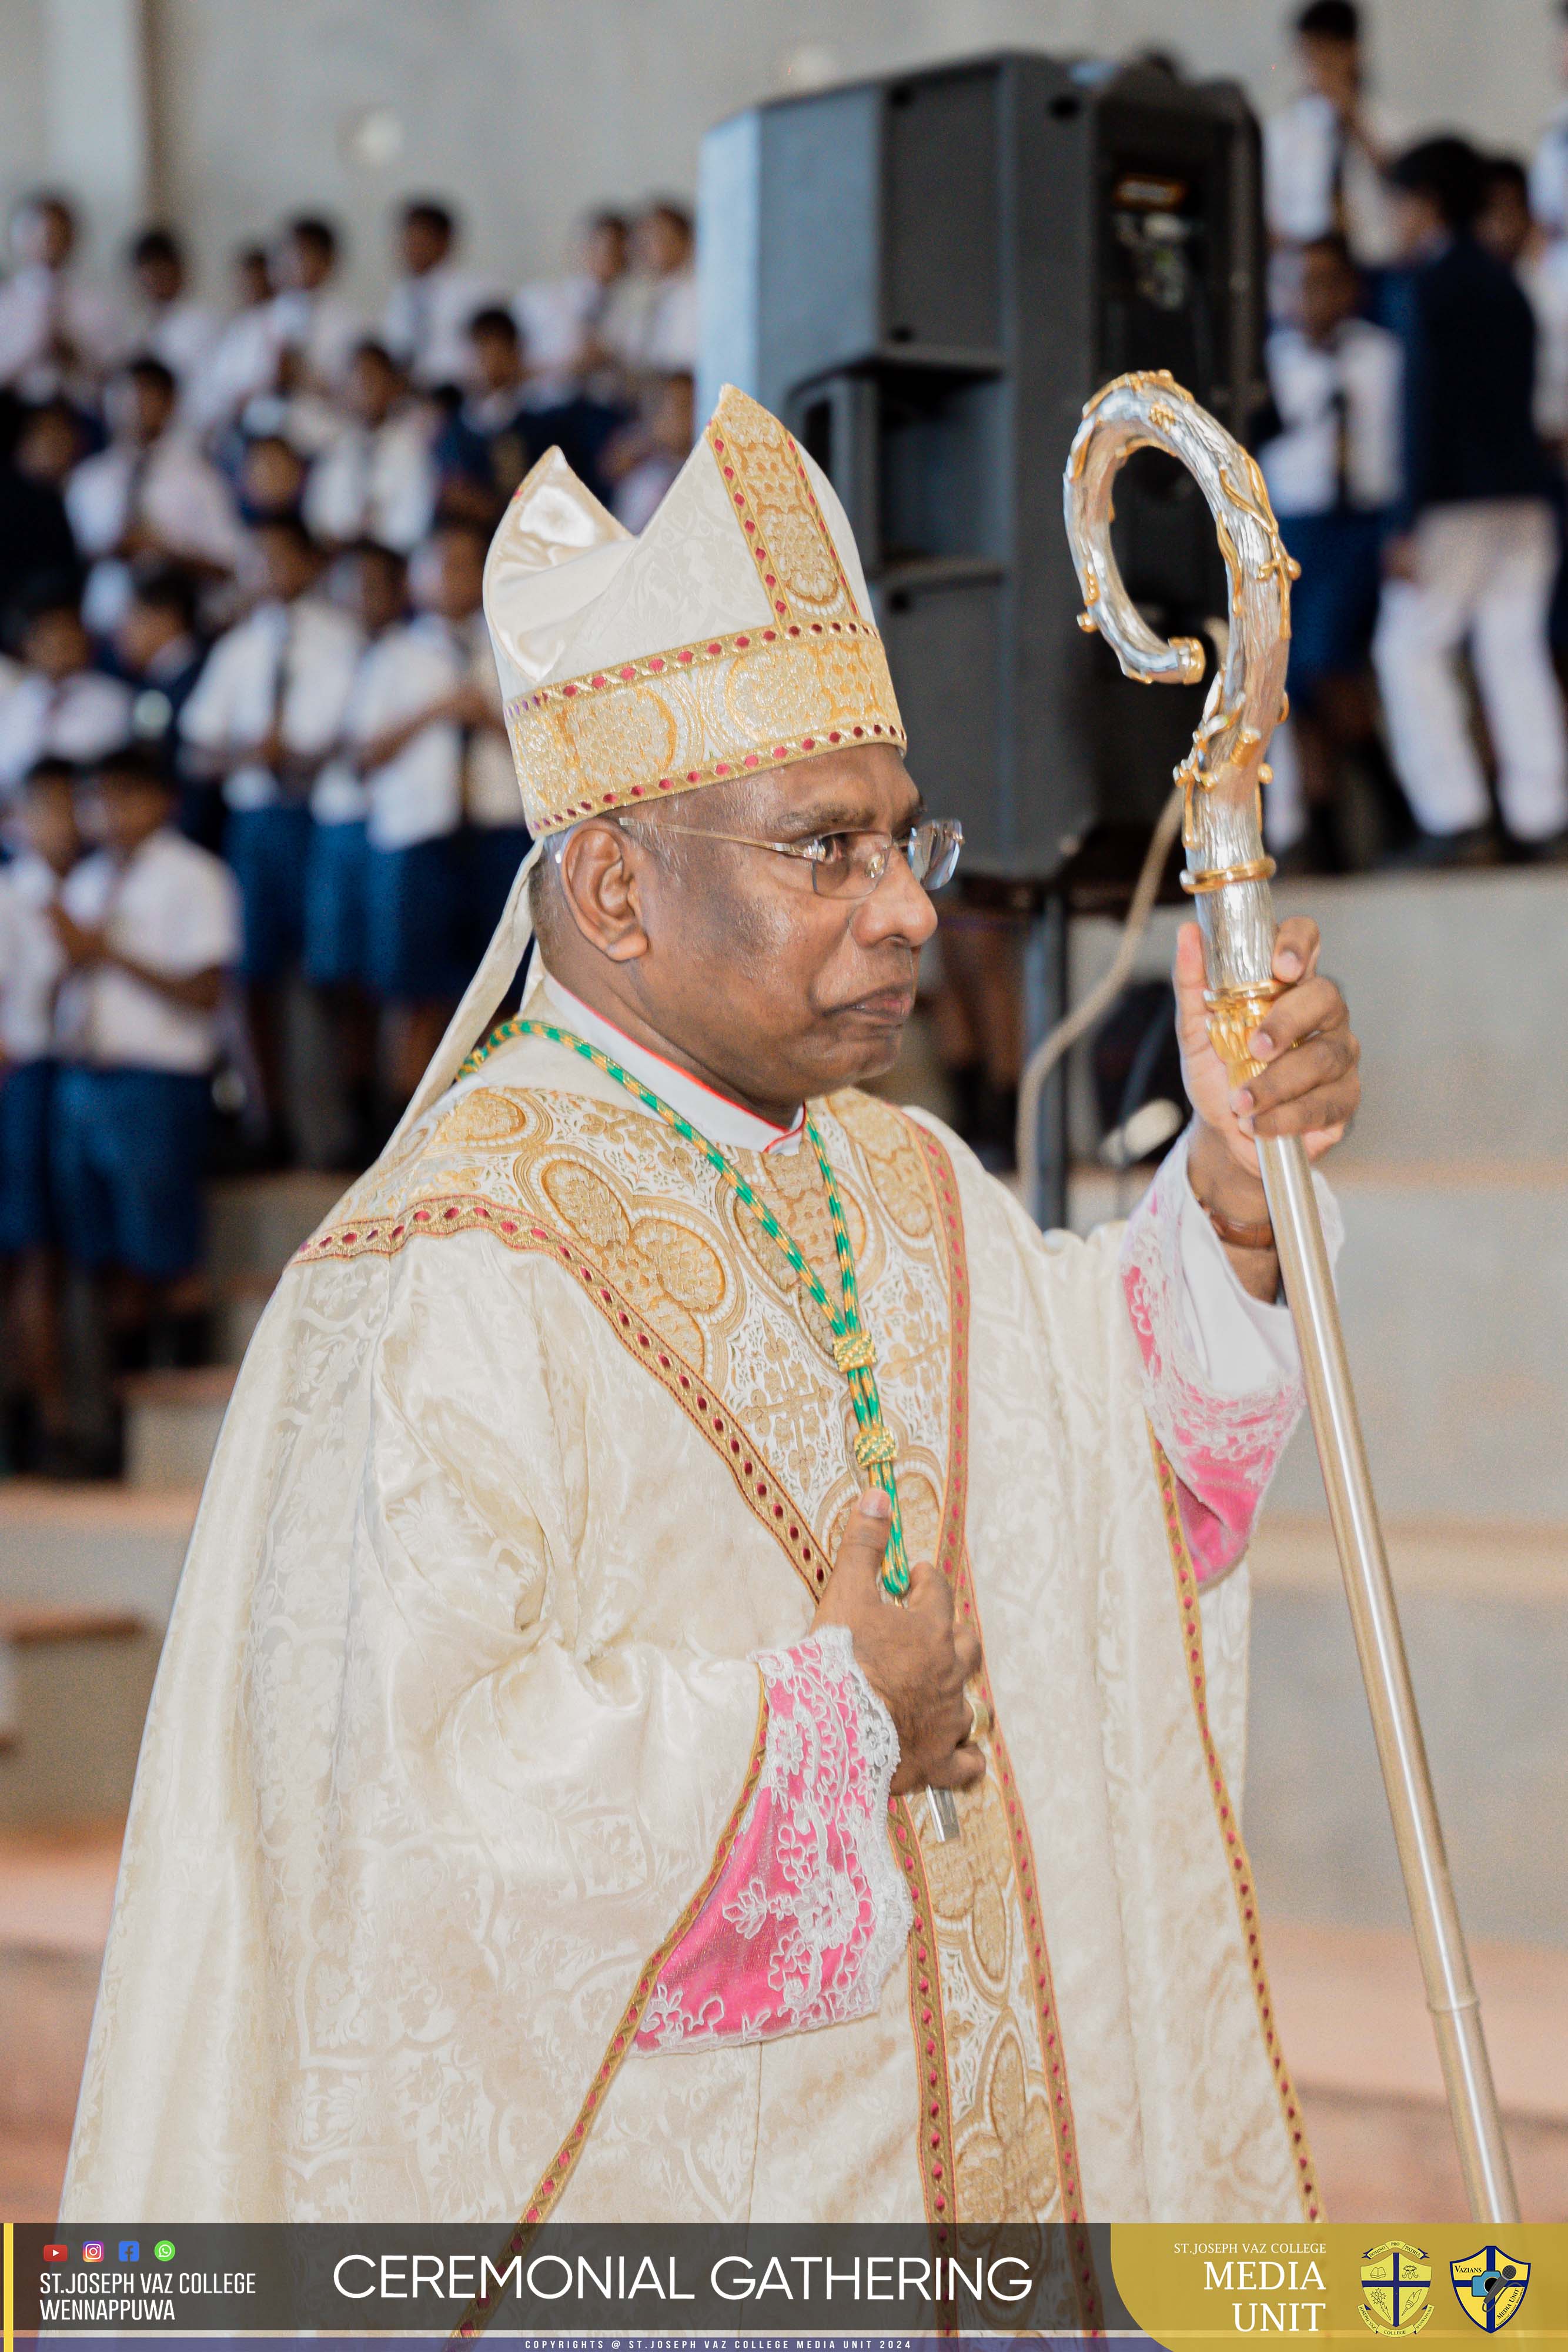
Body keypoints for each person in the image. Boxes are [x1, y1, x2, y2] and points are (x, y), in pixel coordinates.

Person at [64, 389, 1359, 2232]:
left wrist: (1231, 1202)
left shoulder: (899, 1177)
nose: (909, 909)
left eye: (906, 841)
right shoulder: (440, 1269)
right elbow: (394, 1841)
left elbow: (1107, 1479)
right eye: (823, 847)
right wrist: (822, 1727)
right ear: (613, 881)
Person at [1373, 136, 1568, 859]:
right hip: (1524, 496)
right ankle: (1540, 815)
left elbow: (1422, 410)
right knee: (1512, 648)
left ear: (1423, 205)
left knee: (1408, 649)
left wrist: (1404, 520)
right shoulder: (1507, 280)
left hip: (1452, 502)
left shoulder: (1425, 287)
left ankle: (1454, 815)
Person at [50, 743, 240, 1367]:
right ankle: (118, 1422)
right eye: (96, 800)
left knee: (167, 1247)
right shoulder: (84, 879)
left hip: (158, 1080)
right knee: (104, 1257)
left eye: (124, 796)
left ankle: (187, 1387)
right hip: (82, 1075)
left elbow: (207, 991)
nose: (108, 813)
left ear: (165, 801)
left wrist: (108, 952)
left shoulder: (196, 876)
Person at [178, 514, 360, 1143]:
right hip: (255, 824)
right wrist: (252, 752)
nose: (269, 573)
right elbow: (197, 749)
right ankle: (269, 1119)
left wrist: (300, 753)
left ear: (310, 563)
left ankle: (357, 1119)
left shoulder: (344, 637)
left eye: (282, 558)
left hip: (325, 815)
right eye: (257, 561)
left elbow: (355, 732)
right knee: (251, 970)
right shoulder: (238, 646)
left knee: (335, 968)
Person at [1257, 235, 1403, 865]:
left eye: (1324, 283)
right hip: (1292, 527)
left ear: (1350, 289)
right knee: (1293, 682)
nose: (1310, 298)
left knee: (1329, 665)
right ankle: (1327, 827)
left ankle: (1387, 799)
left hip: (1360, 524)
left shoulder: (1385, 355)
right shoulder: (1264, 360)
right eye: (1297, 284)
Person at [301, 540, 407, 1160]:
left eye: (375, 584)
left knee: (393, 978)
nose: (361, 598)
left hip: (396, 829)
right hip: (337, 825)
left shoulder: (414, 655)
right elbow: (314, 745)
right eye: (351, 585)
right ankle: (355, 1118)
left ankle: (395, 1121)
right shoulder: (322, 657)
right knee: (339, 981)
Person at [0, 757, 79, 1473]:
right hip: (19, 1082)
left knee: (46, 1260)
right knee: (27, 1258)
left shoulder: (85, 890)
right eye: (46, 809)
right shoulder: (11, 896)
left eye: (72, 807)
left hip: (59, 1080)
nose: (65, 822)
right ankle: (39, 1423)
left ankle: (46, 1420)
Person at [63, 355, 242, 631]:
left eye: (148, 395)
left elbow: (228, 566)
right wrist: (110, 550)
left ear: (171, 403)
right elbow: (67, 561)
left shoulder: (198, 477)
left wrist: (164, 554)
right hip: (102, 629)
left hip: (174, 630)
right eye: (126, 395)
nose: (135, 406)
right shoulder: (88, 480)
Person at [1262, 2, 1402, 274]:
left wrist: (1353, 119)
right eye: (1309, 54)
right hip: (1307, 274)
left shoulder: (1388, 124)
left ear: (1353, 51)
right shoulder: (1282, 132)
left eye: (1328, 52)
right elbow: (1271, 215)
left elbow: (1404, 189)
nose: (1317, 67)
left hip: (1374, 268)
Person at [301, 338, 437, 554]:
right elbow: (319, 517)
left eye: (373, 378)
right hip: (341, 558)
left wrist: (376, 541)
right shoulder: (335, 446)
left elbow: (416, 515)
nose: (364, 388)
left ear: (394, 385)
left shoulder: (414, 443)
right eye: (356, 380)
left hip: (393, 559)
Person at [109, 565, 212, 842]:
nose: (121, 634)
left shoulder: (206, 677)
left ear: (166, 617)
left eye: (132, 619)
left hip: (200, 830)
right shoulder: (154, 685)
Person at [0, 589, 132, 801]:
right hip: (22, 816)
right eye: (45, 637)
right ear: (27, 645)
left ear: (84, 639)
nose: (57, 646)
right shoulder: (14, 701)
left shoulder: (116, 698)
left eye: (65, 636)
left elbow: (113, 768)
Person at [1476, 154, 1568, 449]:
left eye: (1507, 211)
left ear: (1529, 216)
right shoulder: (1456, 300)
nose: (1497, 226)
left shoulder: (1555, 299)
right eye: (1485, 213)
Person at [0, 192, 122, 402]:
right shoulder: (6, 301)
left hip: (78, 412)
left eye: (58, 231)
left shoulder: (97, 302)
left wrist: (76, 357)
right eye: (38, 231)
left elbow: (115, 374)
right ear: (18, 237)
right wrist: (34, 347)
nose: (49, 239)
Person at [514, 208, 636, 405]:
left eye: (621, 251)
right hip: (543, 412)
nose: (613, 257)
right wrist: (568, 367)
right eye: (607, 248)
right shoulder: (539, 299)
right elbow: (510, 368)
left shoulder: (633, 315)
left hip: (603, 416)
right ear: (584, 247)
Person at [380, 198, 496, 392]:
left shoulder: (475, 293)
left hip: (458, 394)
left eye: (419, 240)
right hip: (409, 397)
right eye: (406, 240)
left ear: (444, 242)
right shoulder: (400, 297)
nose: (410, 249)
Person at [185, 243, 277, 442]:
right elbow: (214, 383)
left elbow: (265, 380)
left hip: (257, 425)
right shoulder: (234, 329)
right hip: (221, 423)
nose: (250, 285)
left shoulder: (278, 323)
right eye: (244, 278)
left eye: (257, 277)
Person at [122, 228, 219, 395]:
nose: (155, 280)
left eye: (161, 271)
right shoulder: (138, 330)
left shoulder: (202, 323)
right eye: (148, 273)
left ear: (179, 269)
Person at [616, 199, 700, 375]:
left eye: (657, 237)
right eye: (641, 238)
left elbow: (683, 362)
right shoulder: (636, 295)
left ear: (685, 241)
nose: (645, 247)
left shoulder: (696, 296)